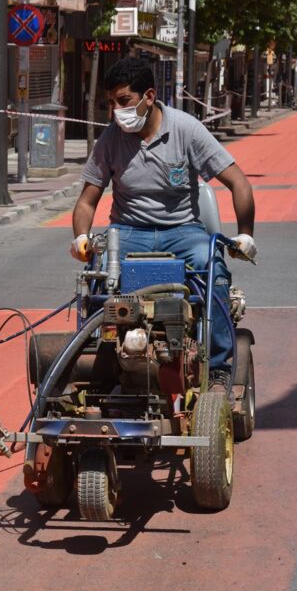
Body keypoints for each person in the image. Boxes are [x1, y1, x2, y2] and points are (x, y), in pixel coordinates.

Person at [69, 57, 257, 389]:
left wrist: (245, 235)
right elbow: (87, 200)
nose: (116, 110)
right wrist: (81, 237)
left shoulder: (187, 130)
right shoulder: (110, 139)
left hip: (182, 231)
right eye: (111, 103)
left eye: (124, 101)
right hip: (128, 231)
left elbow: (239, 182)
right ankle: (103, 352)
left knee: (210, 269)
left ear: (150, 96)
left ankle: (215, 364)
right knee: (97, 276)